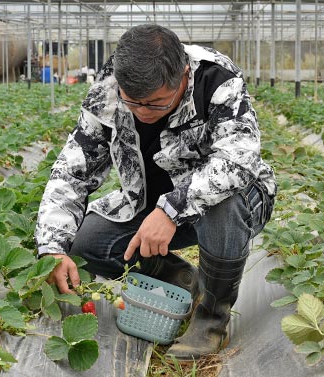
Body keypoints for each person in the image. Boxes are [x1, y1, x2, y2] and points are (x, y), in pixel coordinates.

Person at [34, 24, 276, 360]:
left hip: (237, 202)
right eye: (133, 103)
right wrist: (52, 247)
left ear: (184, 76)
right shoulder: (108, 87)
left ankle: (211, 320)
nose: (144, 112)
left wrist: (172, 209)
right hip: (147, 202)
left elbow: (238, 160)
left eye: (158, 103)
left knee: (223, 200)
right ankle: (188, 283)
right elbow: (73, 169)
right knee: (86, 244)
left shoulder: (216, 78)